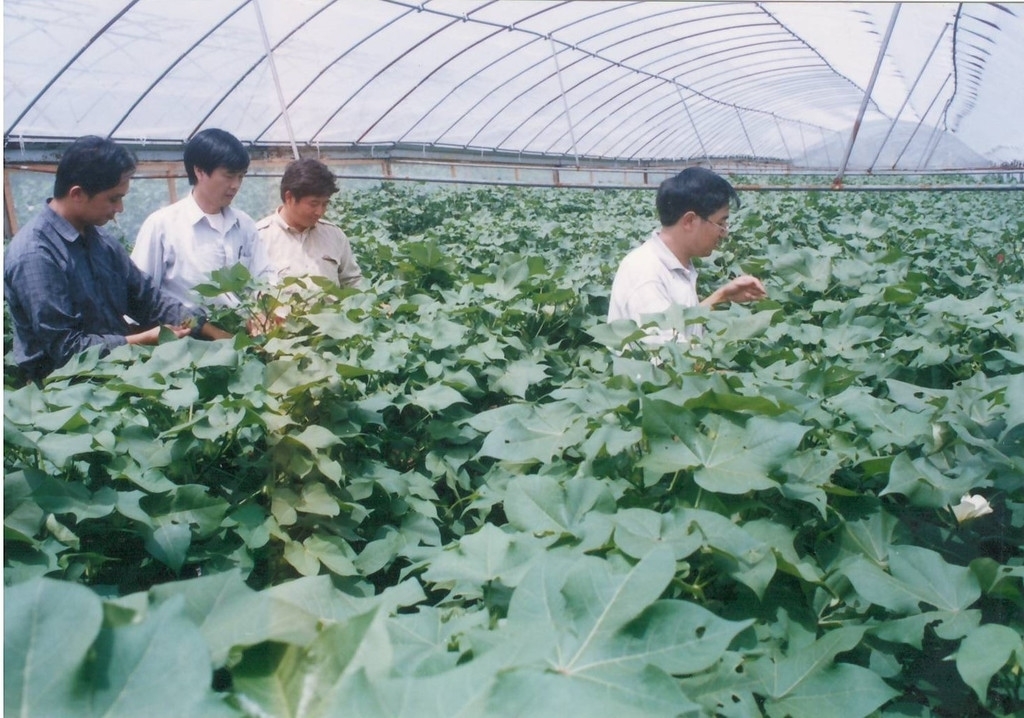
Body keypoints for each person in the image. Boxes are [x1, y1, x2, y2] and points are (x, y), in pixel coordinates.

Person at [3, 136, 230, 382]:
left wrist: (211, 332)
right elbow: (66, 349)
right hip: (61, 388)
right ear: (77, 194)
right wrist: (143, 339)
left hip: (116, 373)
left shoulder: (100, 240)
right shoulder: (36, 254)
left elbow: (148, 299)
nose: (120, 208)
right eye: (113, 198)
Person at [607, 167, 766, 343]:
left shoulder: (673, 262)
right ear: (690, 221)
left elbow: (679, 326)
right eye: (721, 223)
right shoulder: (645, 275)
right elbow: (669, 354)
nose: (724, 233)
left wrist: (722, 296)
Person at [130, 128, 269, 308]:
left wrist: (265, 305)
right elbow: (139, 294)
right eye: (229, 176)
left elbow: (264, 275)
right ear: (200, 171)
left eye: (241, 176)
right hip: (186, 325)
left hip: (243, 324)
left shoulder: (244, 225)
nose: (235, 185)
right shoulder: (162, 225)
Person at [255, 158, 362, 288]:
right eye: (314, 204)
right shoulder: (259, 238)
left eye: (325, 204)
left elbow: (353, 282)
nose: (320, 212)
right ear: (289, 197)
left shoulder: (335, 236)